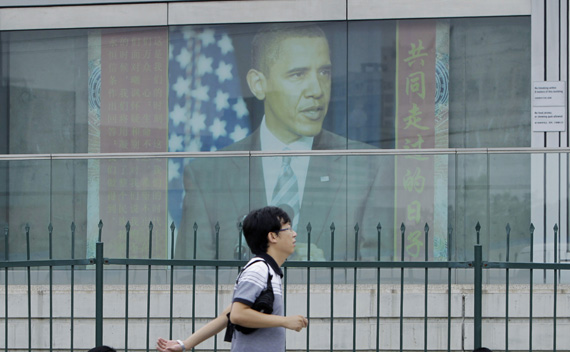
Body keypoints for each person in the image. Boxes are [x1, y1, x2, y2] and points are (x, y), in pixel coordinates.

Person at [175, 23, 392, 262]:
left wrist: (324, 275)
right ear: (258, 84)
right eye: (298, 74)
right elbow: (192, 281)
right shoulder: (207, 175)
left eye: (324, 73)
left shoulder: (369, 165)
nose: (316, 90)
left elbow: (380, 278)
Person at [157, 206, 308, 352]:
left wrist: (184, 344)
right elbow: (237, 315)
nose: (294, 234)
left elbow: (227, 316)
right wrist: (285, 321)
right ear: (272, 236)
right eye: (288, 228)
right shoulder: (258, 270)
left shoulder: (268, 271)